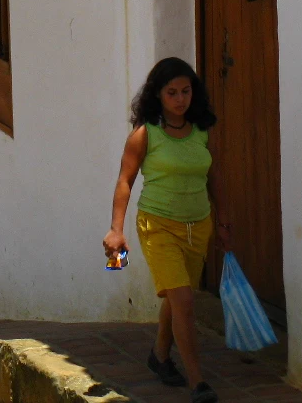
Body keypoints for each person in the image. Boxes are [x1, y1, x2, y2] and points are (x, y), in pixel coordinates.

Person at [104, 57, 228, 403]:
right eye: (171, 92)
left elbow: (212, 176)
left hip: (198, 225)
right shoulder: (145, 134)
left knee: (177, 298)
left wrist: (222, 220)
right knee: (185, 300)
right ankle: (198, 381)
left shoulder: (201, 130)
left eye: (185, 91)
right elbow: (125, 181)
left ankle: (159, 356)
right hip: (157, 225)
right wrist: (117, 230)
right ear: (157, 95)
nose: (180, 99)